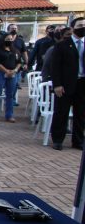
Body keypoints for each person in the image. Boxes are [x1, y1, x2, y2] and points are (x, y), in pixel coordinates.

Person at [49, 17, 85, 151]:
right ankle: (58, 140)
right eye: (80, 25)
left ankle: (78, 141)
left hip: (82, 83)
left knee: (80, 114)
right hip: (65, 84)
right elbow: (55, 66)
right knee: (61, 112)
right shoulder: (62, 45)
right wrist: (57, 84)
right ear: (73, 28)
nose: (83, 28)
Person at [0, 32, 22, 123]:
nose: (9, 41)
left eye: (11, 39)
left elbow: (19, 62)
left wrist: (15, 70)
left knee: (10, 95)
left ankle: (9, 115)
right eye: (7, 39)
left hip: (12, 74)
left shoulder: (15, 51)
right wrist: (6, 71)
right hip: (0, 73)